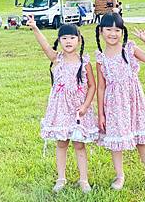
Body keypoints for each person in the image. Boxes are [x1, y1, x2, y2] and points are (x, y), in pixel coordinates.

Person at [26, 15, 98, 193]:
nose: (68, 41)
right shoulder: (56, 59)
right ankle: (61, 178)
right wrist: (35, 27)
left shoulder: (85, 62)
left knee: (79, 144)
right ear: (59, 40)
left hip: (78, 110)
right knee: (61, 143)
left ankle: (83, 180)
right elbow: (44, 46)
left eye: (72, 37)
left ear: (79, 40)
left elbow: (92, 86)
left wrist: (86, 106)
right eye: (64, 38)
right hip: (60, 109)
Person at [95, 13, 145, 194]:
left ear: (122, 31)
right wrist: (101, 113)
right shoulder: (101, 58)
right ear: (101, 31)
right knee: (116, 141)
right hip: (114, 105)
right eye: (108, 29)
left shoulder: (129, 49)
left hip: (134, 102)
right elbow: (101, 87)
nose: (113, 33)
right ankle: (120, 175)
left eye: (117, 30)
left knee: (141, 140)